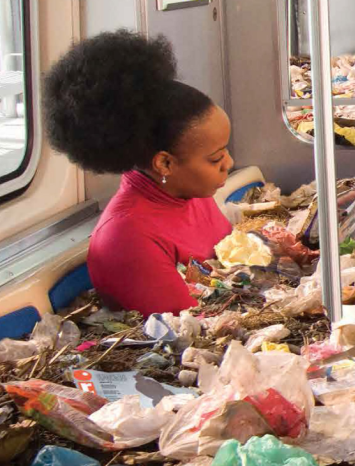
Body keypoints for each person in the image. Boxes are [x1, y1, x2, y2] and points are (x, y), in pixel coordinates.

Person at [44, 31, 234, 316]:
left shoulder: (189, 191)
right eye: (216, 158)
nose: (229, 163)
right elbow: (191, 326)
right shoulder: (127, 238)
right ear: (165, 164)